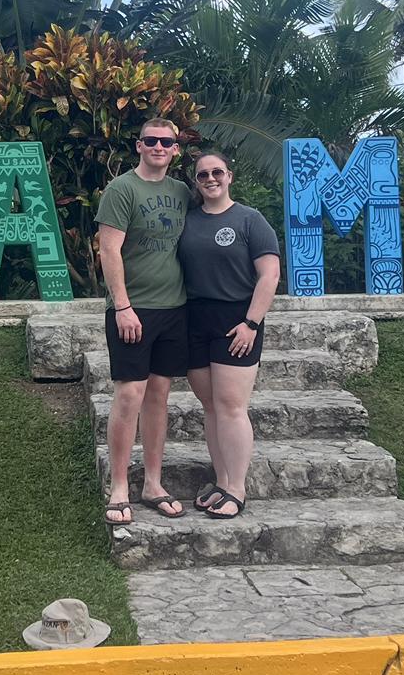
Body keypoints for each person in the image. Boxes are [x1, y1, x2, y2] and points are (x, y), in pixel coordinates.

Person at [94, 117, 193, 525]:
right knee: (129, 394)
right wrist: (122, 306)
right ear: (139, 146)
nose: (158, 147)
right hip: (133, 309)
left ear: (175, 149)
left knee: (158, 397)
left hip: (174, 308)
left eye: (166, 142)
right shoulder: (121, 190)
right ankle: (119, 486)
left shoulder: (182, 192)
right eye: (151, 140)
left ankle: (153, 483)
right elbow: (109, 250)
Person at [178, 150, 281, 520]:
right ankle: (221, 482)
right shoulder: (187, 221)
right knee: (210, 407)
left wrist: (251, 323)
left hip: (236, 320)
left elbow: (269, 275)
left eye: (217, 172)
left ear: (229, 176)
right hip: (194, 319)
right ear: (196, 182)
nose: (210, 179)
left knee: (232, 407)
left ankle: (237, 488)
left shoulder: (250, 220)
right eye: (202, 174)